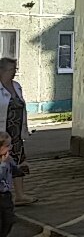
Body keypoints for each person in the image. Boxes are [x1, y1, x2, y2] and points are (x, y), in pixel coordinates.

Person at [0, 59, 34, 206]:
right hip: (2, 133)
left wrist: (24, 130)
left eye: (15, 69)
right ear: (2, 70)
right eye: (12, 69)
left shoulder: (17, 86)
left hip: (16, 133)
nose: (14, 72)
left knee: (18, 161)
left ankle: (20, 195)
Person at [0, 132, 16, 237]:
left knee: (9, 219)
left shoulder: (8, 159)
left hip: (6, 195)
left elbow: (14, 170)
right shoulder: (3, 162)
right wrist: (3, 164)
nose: (10, 148)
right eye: (7, 146)